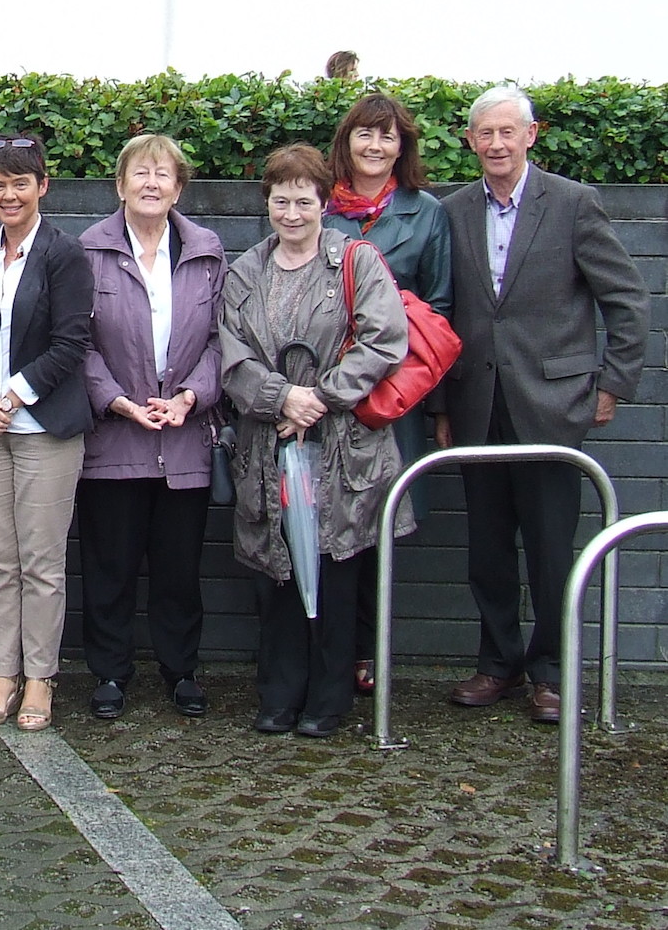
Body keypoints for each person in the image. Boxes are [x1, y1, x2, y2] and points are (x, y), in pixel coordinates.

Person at [436, 85, 648, 724]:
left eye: (509, 132)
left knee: (554, 549)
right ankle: (497, 664)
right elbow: (442, 317)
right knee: (487, 548)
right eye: (485, 134)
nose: (496, 144)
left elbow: (627, 301)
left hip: (555, 404)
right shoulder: (451, 212)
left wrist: (612, 383)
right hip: (479, 405)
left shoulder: (575, 204)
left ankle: (551, 672)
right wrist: (444, 408)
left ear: (533, 134)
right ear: (469, 141)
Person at [219, 142, 413, 739]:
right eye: (282, 200)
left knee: (335, 567)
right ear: (268, 204)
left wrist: (320, 400)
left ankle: (328, 701)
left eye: (305, 200)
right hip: (268, 447)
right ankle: (278, 694)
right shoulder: (245, 271)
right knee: (275, 572)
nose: (293, 212)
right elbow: (230, 353)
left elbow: (386, 340)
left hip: (340, 447)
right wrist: (283, 398)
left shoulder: (356, 261)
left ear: (325, 203)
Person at [0, 134, 93, 732]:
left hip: (43, 430)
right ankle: (2, 673)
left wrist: (12, 395)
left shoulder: (65, 254)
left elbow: (72, 343)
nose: (8, 194)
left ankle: (39, 678)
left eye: (19, 183)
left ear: (42, 186)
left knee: (41, 562)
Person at [77, 135, 226, 721]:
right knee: (109, 566)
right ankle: (110, 673)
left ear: (178, 188)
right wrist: (116, 401)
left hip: (184, 439)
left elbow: (222, 339)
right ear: (119, 185)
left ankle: (180, 670)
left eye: (163, 174)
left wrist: (192, 395)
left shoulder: (207, 252)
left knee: (178, 568)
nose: (151, 183)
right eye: (140, 173)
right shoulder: (88, 251)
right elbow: (77, 342)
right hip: (113, 439)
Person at [322, 91, 452, 695]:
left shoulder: (426, 212)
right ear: (346, 142)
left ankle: (369, 652)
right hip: (322, 391)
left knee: (380, 520)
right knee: (326, 519)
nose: (376, 147)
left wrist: (407, 385)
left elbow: (441, 309)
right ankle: (328, 653)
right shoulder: (318, 208)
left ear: (404, 147)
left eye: (389, 137)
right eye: (365, 135)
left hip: (393, 395)